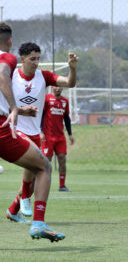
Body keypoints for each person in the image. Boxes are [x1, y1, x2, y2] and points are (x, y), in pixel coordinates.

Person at [0, 23, 65, 241]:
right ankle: (38, 223)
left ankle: (17, 205)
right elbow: (2, 75)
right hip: (4, 129)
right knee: (44, 166)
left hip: (28, 128)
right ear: (10, 41)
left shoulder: (42, 77)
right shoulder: (7, 58)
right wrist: (14, 108)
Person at [6, 42, 78, 222]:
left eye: (38, 59)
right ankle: (25, 202)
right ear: (22, 59)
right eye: (32, 59)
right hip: (16, 130)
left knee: (33, 178)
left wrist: (72, 68)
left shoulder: (43, 77)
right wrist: (20, 110)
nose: (36, 62)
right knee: (37, 168)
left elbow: (69, 83)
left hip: (34, 132)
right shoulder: (11, 75)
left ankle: (13, 210)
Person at [41, 86, 75, 192]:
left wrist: (70, 134)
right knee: (46, 161)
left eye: (60, 87)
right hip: (48, 136)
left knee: (62, 159)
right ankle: (43, 184)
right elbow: (41, 116)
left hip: (60, 136)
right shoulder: (46, 99)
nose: (58, 89)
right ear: (52, 88)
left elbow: (66, 118)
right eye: (56, 86)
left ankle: (62, 185)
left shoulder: (65, 101)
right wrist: (40, 131)